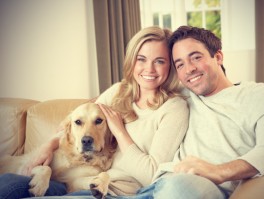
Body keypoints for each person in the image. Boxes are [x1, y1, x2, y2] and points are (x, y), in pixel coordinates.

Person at [0, 26, 189, 199]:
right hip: (80, 182)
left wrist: (119, 132)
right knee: (10, 183)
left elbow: (151, 174)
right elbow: (79, 120)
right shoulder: (119, 91)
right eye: (141, 59)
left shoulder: (174, 108)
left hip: (117, 191)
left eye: (160, 61)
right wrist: (48, 145)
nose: (149, 69)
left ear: (170, 65)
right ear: (132, 61)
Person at [121, 25, 264, 199]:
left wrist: (219, 171)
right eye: (180, 64)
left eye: (196, 57)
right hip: (152, 187)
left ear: (219, 56)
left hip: (194, 189)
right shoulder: (181, 96)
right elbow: (133, 84)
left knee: (177, 188)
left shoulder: (257, 95)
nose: (189, 69)